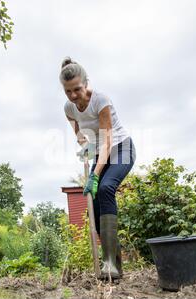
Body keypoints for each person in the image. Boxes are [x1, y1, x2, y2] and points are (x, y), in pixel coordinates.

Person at [60, 57, 136, 279]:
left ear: (86, 83)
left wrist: (94, 174)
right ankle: (109, 264)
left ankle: (112, 264)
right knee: (94, 202)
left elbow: (107, 142)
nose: (74, 96)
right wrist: (84, 144)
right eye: (68, 92)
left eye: (77, 89)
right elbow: (79, 133)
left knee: (105, 188)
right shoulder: (69, 108)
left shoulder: (101, 101)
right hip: (99, 151)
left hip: (121, 149)